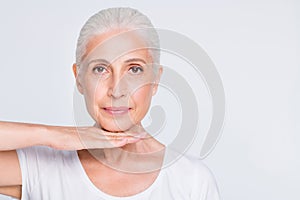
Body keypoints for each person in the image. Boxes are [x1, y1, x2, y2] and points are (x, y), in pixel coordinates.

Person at [0, 7, 220, 200]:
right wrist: (55, 135)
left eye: (134, 69)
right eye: (100, 69)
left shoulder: (192, 182)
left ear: (155, 80)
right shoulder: (43, 168)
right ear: (79, 78)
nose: (116, 90)